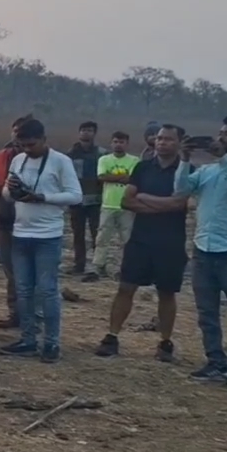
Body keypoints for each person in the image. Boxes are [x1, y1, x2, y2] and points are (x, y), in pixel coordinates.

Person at [95, 125, 187, 361]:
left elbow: (184, 203)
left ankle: (165, 342)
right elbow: (127, 201)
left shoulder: (186, 170)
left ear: (179, 142)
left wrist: (145, 199)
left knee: (167, 292)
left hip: (171, 242)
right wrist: (166, 206)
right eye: (159, 138)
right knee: (125, 287)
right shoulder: (142, 167)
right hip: (140, 239)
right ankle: (112, 336)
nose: (162, 142)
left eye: (168, 139)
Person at [0, 118, 82, 362]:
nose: (27, 149)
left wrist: (42, 197)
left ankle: (51, 343)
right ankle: (28, 339)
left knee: (47, 290)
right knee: (23, 290)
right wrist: (12, 189)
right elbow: (6, 195)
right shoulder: (18, 160)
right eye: (23, 145)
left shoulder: (61, 161)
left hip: (48, 235)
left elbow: (76, 196)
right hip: (21, 233)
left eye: (32, 144)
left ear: (44, 139)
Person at [175, 115, 227, 384]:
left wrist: (223, 158)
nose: (220, 138)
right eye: (220, 133)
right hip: (203, 250)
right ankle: (215, 361)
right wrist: (184, 159)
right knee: (207, 313)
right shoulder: (207, 171)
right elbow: (181, 189)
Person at [0, 116, 29, 329]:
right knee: (11, 270)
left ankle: (32, 314)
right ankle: (16, 313)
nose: (17, 135)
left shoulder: (42, 160)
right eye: (15, 130)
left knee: (30, 270)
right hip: (4, 221)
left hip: (31, 223)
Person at [87, 131, 140, 282]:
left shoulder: (135, 160)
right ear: (111, 143)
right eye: (116, 142)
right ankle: (98, 266)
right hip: (108, 204)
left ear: (127, 144)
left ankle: (125, 268)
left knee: (127, 240)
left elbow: (133, 179)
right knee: (102, 238)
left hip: (127, 206)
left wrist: (112, 177)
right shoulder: (104, 159)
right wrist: (122, 178)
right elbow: (102, 177)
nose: (118, 145)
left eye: (121, 142)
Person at [67, 121, 106, 275]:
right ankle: (79, 265)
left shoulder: (102, 154)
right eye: (83, 130)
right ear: (79, 133)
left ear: (94, 133)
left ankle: (99, 265)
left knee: (98, 234)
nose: (86, 133)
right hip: (77, 199)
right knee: (78, 234)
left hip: (96, 200)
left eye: (89, 130)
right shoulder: (71, 154)